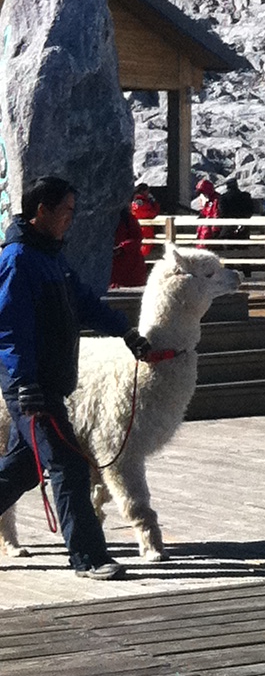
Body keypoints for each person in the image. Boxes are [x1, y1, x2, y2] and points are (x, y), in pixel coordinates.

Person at [0, 176, 158, 582]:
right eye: (66, 210)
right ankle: (88, 557)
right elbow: (8, 329)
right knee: (68, 464)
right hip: (31, 387)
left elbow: (83, 302)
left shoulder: (50, 257)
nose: (72, 218)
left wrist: (125, 332)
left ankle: (87, 554)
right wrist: (22, 382)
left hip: (49, 382)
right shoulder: (18, 259)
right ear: (42, 212)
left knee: (22, 468)